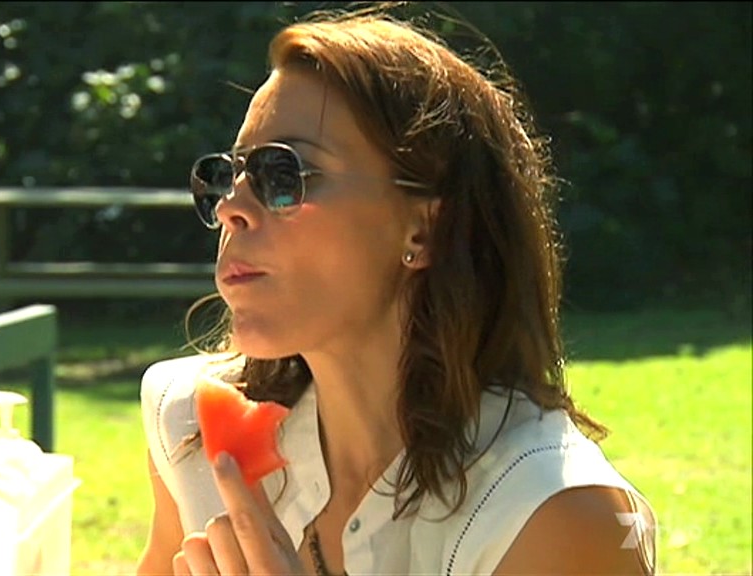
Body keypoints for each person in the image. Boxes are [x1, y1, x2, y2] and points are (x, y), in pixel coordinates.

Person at [136, 10, 657, 576]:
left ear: (425, 230)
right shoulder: (191, 425)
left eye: (282, 175)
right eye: (225, 176)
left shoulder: (555, 514)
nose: (231, 206)